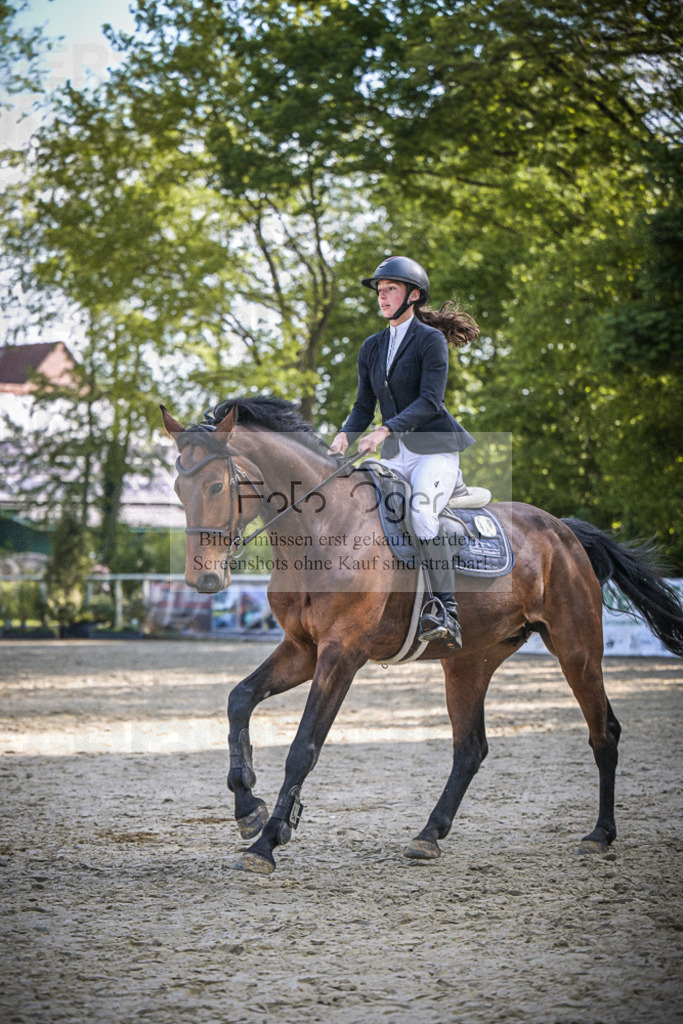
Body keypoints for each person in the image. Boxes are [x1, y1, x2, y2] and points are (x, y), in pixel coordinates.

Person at [328, 255, 479, 649]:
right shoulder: (372, 346)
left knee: (422, 516)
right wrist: (345, 434)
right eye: (380, 290)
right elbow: (364, 405)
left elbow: (430, 401)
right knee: (363, 513)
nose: (382, 296)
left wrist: (384, 429)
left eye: (390, 289)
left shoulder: (429, 340)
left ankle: (446, 612)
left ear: (413, 295)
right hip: (395, 455)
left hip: (434, 452)